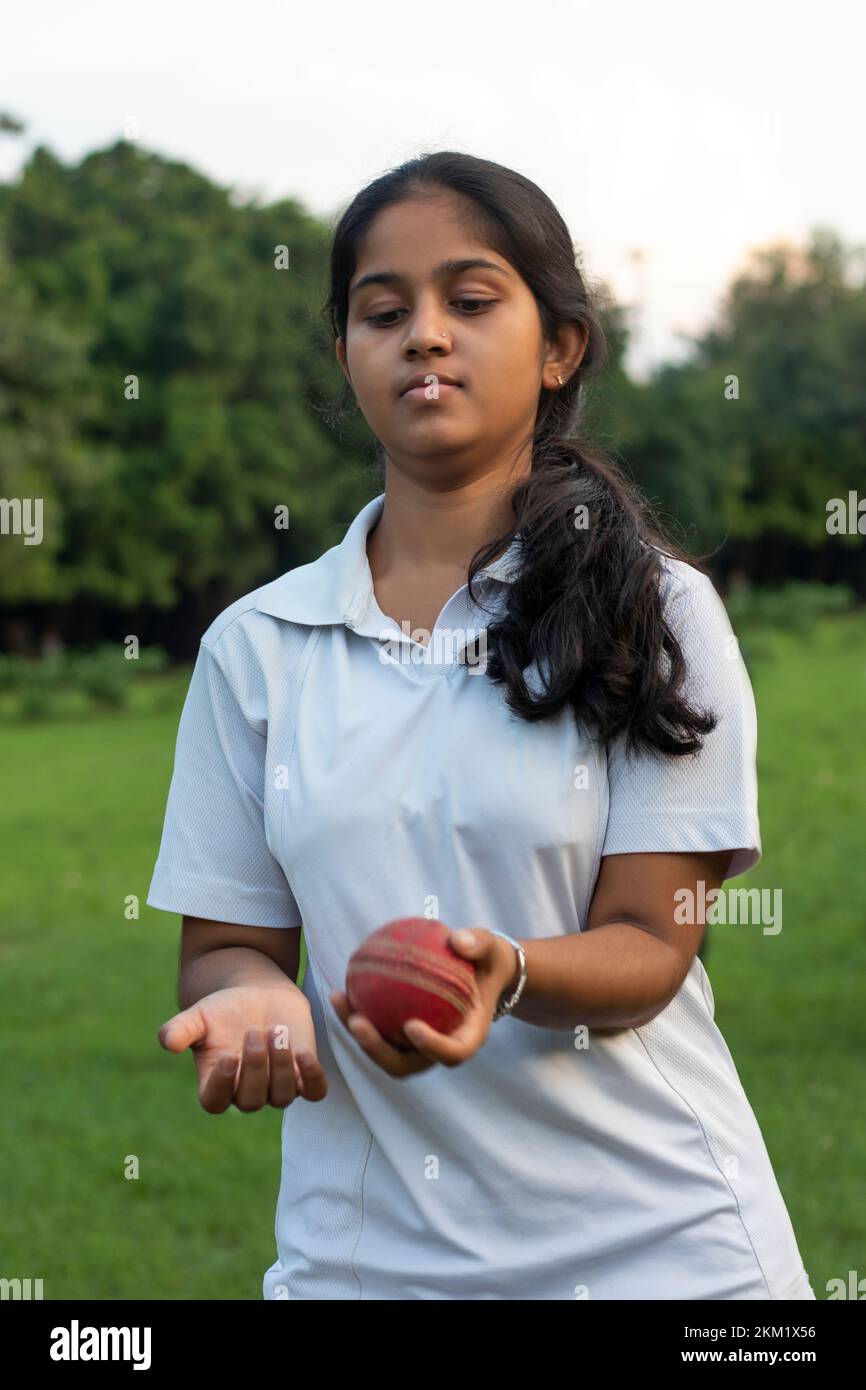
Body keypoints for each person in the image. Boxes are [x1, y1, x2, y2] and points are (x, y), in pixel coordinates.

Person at [147, 151, 815, 1301]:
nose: (423, 336)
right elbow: (227, 943)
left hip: (668, 1257)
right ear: (346, 352)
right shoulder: (255, 647)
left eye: (469, 300)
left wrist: (501, 973)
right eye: (382, 311)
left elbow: (654, 944)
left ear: (557, 346)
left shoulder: (654, 608)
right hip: (365, 1266)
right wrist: (252, 998)